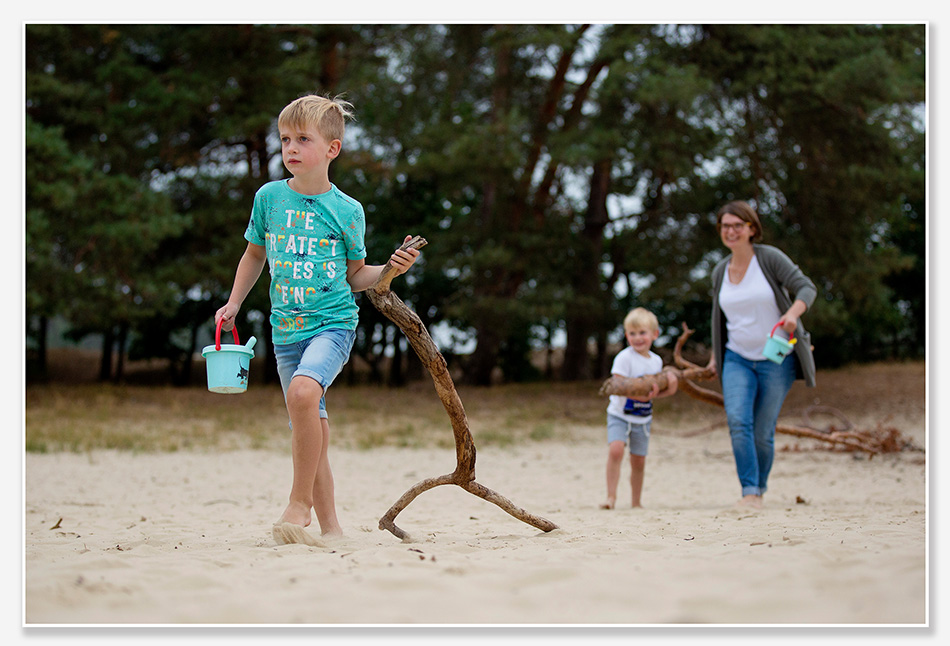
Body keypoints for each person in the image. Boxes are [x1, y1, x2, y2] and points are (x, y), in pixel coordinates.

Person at [214, 94, 420, 545]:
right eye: (285, 138)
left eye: (302, 139)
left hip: (332, 326)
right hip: (284, 331)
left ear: (332, 149)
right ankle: (332, 530)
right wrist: (233, 303)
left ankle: (298, 502)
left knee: (304, 394)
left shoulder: (347, 210)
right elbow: (253, 255)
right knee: (312, 427)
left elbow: (356, 275)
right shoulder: (268, 198)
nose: (290, 147)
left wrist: (389, 271)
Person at [707, 200, 817, 509]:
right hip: (737, 358)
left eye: (737, 226)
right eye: (725, 226)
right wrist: (717, 356)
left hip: (776, 357)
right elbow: (721, 320)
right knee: (738, 421)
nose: (730, 231)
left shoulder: (769, 259)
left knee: (762, 430)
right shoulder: (720, 271)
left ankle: (760, 486)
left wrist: (793, 314)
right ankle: (750, 491)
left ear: (751, 229)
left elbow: (806, 288)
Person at [602, 307, 678, 510]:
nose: (637, 338)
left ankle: (636, 502)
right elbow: (617, 386)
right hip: (620, 415)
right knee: (616, 450)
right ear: (626, 336)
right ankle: (611, 497)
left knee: (639, 461)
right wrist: (642, 393)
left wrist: (669, 388)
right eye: (632, 333)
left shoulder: (656, 361)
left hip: (642, 418)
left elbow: (654, 393)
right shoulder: (624, 358)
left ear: (655, 334)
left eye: (642, 332)